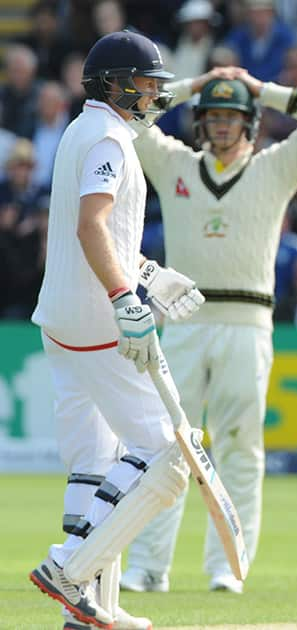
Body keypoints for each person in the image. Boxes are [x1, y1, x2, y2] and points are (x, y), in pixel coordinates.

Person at [119, 66, 297, 594]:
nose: (221, 127)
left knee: (241, 448)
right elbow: (132, 120)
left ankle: (227, 565)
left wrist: (258, 89)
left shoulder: (274, 169)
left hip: (247, 325)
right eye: (213, 117)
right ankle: (149, 567)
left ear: (251, 124)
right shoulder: (175, 163)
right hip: (183, 323)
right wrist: (195, 86)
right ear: (201, 123)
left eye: (232, 117)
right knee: (169, 445)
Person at [27, 31, 205, 630]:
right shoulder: (108, 138)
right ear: (115, 83)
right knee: (166, 458)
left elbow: (96, 234)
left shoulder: (83, 131)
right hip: (101, 321)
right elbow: (91, 226)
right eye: (147, 81)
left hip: (61, 320)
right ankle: (71, 569)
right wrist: (126, 297)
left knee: (95, 463)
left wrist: (147, 272)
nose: (155, 91)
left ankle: (90, 610)